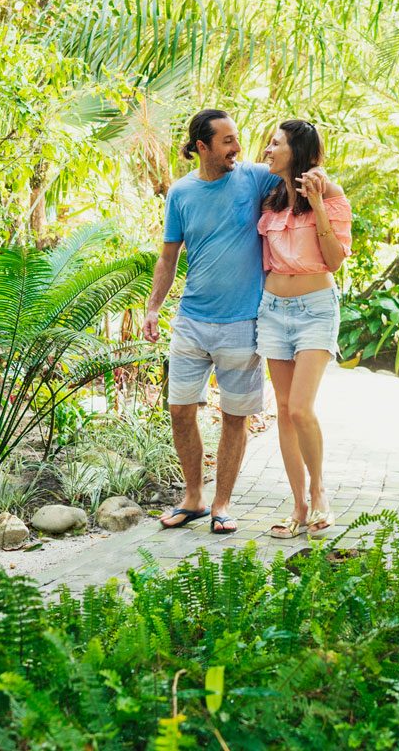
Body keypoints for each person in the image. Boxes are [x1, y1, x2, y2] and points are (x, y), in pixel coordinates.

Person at [144, 109, 282, 534]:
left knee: (234, 417)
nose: (236, 148)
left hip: (242, 322)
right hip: (191, 320)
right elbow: (168, 257)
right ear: (201, 147)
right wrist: (153, 307)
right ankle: (194, 497)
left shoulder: (255, 178)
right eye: (226, 141)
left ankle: (221, 504)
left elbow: (303, 173)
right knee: (180, 409)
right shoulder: (181, 194)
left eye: (236, 138)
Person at [257, 119, 351, 537]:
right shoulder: (270, 198)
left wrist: (317, 203)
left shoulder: (331, 196)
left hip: (315, 308)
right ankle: (297, 507)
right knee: (282, 411)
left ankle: (319, 492)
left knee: (300, 408)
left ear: (297, 151)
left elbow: (334, 260)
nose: (267, 149)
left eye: (275, 143)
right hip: (273, 310)